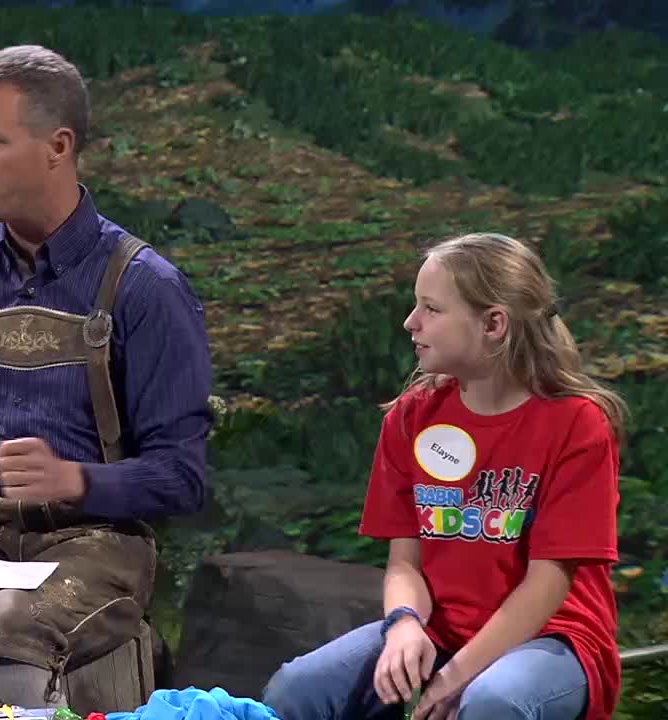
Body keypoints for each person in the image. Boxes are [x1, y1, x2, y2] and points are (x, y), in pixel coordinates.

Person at [0, 45, 214, 719]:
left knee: (12, 627)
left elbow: (185, 478)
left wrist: (78, 481)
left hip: (95, 538)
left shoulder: (145, 288)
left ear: (58, 146)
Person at [261, 233, 626, 720]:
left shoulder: (577, 424)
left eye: (431, 308)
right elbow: (404, 565)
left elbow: (547, 584)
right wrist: (404, 622)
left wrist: (455, 678)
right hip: (439, 629)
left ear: (494, 323)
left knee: (494, 701)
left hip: (552, 638)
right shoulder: (412, 417)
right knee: (296, 688)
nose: (411, 322)